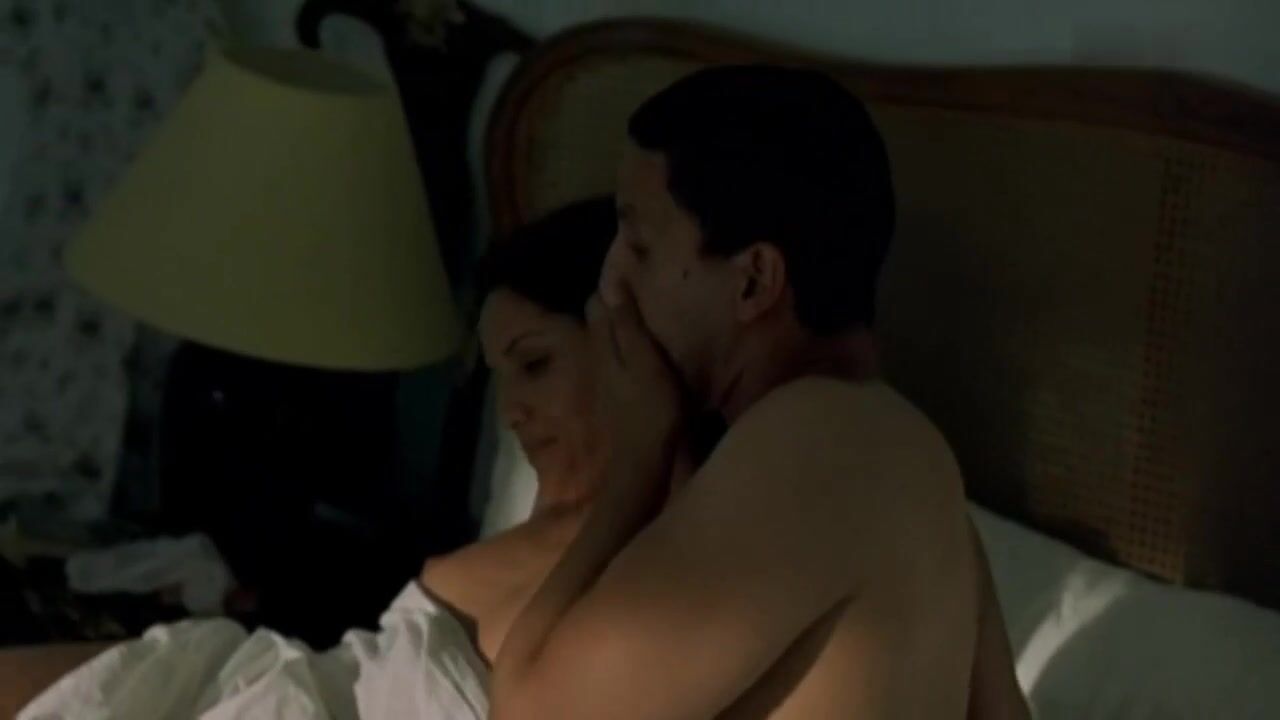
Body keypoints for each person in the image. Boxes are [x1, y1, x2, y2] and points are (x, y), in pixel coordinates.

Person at [491, 67, 1031, 719]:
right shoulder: (905, 450)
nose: (611, 283)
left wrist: (636, 460)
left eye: (640, 245)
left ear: (753, 281)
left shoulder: (811, 443)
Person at [1, 198, 622, 718]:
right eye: (502, 379)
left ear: (626, 342)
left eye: (535, 364)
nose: (513, 411)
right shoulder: (562, 512)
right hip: (266, 678)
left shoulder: (644, 568)